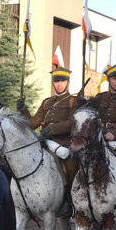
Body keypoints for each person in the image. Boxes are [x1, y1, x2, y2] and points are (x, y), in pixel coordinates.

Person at [18, 67, 78, 216]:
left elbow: (72, 122)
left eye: (62, 81)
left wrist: (52, 128)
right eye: (56, 81)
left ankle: (71, 201)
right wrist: (23, 110)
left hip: (63, 142)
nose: (59, 84)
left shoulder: (73, 101)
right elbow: (33, 123)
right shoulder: (47, 102)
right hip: (43, 141)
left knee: (71, 165)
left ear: (68, 82)